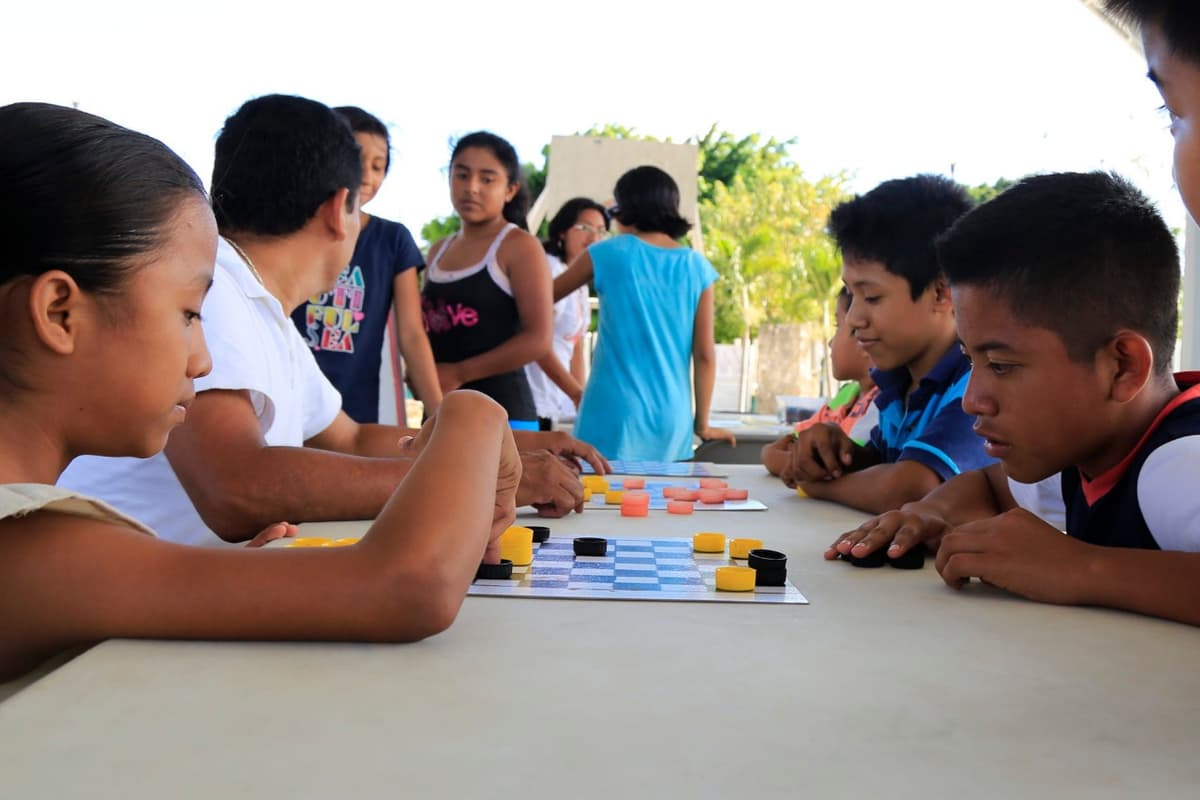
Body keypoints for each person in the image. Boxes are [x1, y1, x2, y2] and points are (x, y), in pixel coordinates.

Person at [0, 101, 519, 692]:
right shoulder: (29, 549)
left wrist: (238, 580)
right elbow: (406, 585)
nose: (203, 360)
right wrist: (472, 415)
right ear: (59, 314)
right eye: (188, 314)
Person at [59, 96, 604, 546]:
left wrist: (517, 449)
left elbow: (354, 438)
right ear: (339, 210)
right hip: (107, 627)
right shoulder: (216, 288)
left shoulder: (261, 309)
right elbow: (237, 485)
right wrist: (474, 479)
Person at [830, 169, 1200, 625]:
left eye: (1002, 366)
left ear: (1121, 367)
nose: (973, 400)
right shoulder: (1085, 454)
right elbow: (990, 485)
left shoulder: (1181, 462)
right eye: (970, 361)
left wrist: (1082, 568)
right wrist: (928, 513)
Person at [783, 175, 992, 513]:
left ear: (941, 293)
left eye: (872, 297)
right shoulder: (900, 384)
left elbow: (909, 489)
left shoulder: (976, 385)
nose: (854, 319)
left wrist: (818, 485)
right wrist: (837, 452)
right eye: (851, 294)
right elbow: (882, 467)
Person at [553, 166, 736, 461]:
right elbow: (704, 355)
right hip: (672, 419)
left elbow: (543, 298)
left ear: (625, 207)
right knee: (665, 492)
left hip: (611, 412)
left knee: (596, 490)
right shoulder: (697, 267)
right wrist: (702, 424)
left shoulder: (607, 253)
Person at [291, 105, 441, 423]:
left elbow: (412, 334)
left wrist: (440, 415)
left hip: (354, 413)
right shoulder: (291, 229)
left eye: (378, 166)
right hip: (288, 402)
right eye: (358, 162)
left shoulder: (393, 239)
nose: (368, 177)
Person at [422, 132, 551, 427]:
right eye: (462, 175)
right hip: (441, 413)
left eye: (487, 179)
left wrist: (459, 373)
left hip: (505, 418)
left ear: (510, 190)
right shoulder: (438, 251)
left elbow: (538, 340)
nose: (472, 187)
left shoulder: (520, 246)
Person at [761, 287, 879, 477]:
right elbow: (795, 443)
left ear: (863, 339)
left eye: (837, 326)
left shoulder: (882, 404)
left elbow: (834, 467)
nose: (830, 342)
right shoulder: (847, 395)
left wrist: (771, 457)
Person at [526, 197, 608, 425]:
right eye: (585, 228)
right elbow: (535, 341)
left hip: (556, 402)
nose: (593, 238)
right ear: (562, 231)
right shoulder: (549, 268)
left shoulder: (578, 280)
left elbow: (576, 346)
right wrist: (576, 393)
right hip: (532, 397)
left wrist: (580, 400)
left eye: (601, 231)